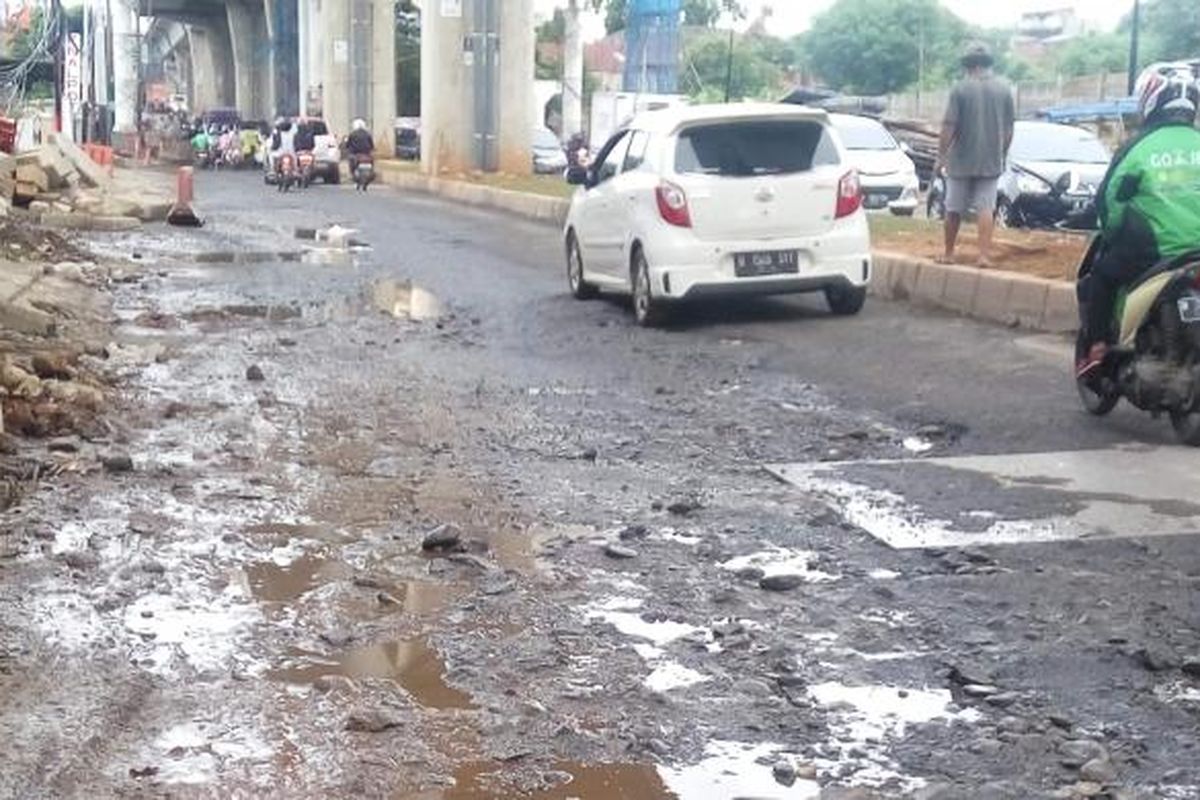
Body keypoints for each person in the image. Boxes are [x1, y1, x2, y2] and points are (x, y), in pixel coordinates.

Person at [1077, 62, 1200, 378]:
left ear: (1151, 100)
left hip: (1158, 252)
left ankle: (1098, 347)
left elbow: (1111, 202)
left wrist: (1113, 231)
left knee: (1102, 275)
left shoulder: (1137, 147)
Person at [936, 42, 1015, 268]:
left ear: (967, 65)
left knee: (953, 209)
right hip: (990, 160)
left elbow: (949, 125)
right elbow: (1009, 129)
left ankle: (949, 253)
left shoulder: (960, 89)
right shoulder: (1004, 89)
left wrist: (941, 155)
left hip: (960, 160)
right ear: (989, 64)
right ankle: (983, 256)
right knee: (985, 208)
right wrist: (1001, 153)